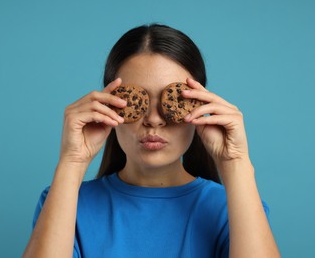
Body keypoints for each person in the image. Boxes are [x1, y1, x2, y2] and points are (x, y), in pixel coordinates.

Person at [23, 24, 280, 258]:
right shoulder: (65, 203)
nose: (154, 120)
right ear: (107, 105)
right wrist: (71, 162)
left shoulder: (235, 207)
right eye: (137, 100)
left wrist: (236, 162)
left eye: (175, 101)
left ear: (199, 105)